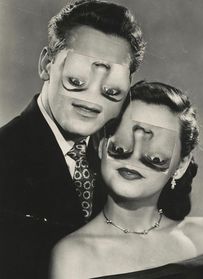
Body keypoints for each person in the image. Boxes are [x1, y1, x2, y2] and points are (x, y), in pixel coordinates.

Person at [0, 1, 145, 278]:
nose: (90, 100)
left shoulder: (117, 158)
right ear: (46, 64)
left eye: (111, 91)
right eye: (76, 80)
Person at [50, 81, 203, 279]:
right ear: (102, 146)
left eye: (155, 155)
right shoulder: (74, 256)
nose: (134, 158)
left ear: (181, 165)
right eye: (122, 145)